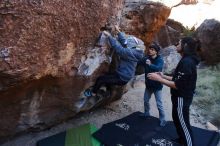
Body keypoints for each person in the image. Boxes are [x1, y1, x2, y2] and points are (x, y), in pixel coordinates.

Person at [147, 37, 201, 146]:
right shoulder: (186, 59)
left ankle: (188, 143)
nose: (177, 44)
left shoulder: (187, 62)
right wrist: (164, 76)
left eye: (179, 43)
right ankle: (181, 140)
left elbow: (178, 85)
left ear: (185, 46)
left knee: (183, 123)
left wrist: (159, 79)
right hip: (178, 96)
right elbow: (177, 79)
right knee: (177, 119)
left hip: (182, 97)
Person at [84, 25, 145, 98]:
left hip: (122, 77)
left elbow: (117, 47)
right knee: (108, 77)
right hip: (124, 75)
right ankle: (107, 93)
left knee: (100, 79)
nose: (127, 43)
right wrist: (119, 32)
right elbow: (124, 43)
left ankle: (92, 93)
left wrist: (109, 36)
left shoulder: (129, 53)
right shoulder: (136, 51)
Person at [138, 42, 166, 126]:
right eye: (149, 49)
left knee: (159, 104)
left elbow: (158, 68)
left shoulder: (160, 60)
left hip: (157, 86)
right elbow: (138, 61)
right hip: (149, 85)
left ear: (156, 51)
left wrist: (150, 64)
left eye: (152, 49)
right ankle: (146, 113)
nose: (150, 51)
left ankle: (162, 119)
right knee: (146, 100)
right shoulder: (146, 58)